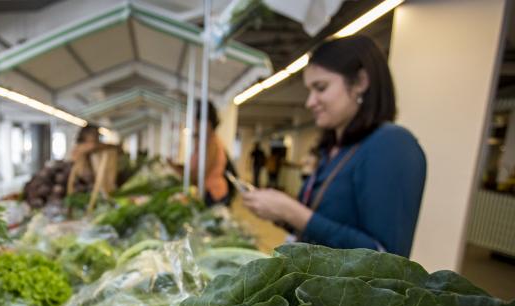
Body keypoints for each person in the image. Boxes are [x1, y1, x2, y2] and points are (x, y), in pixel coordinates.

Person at [241, 35, 426, 257]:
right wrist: (279, 213)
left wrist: (293, 212)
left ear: (360, 82)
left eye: (321, 87)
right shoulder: (333, 151)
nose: (310, 102)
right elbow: (325, 229)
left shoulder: (391, 144)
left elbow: (386, 258)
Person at [175, 100, 234, 206]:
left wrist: (177, 173)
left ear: (207, 122)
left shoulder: (211, 143)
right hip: (207, 192)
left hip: (213, 194)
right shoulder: (204, 142)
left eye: (197, 121)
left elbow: (200, 174)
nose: (195, 125)